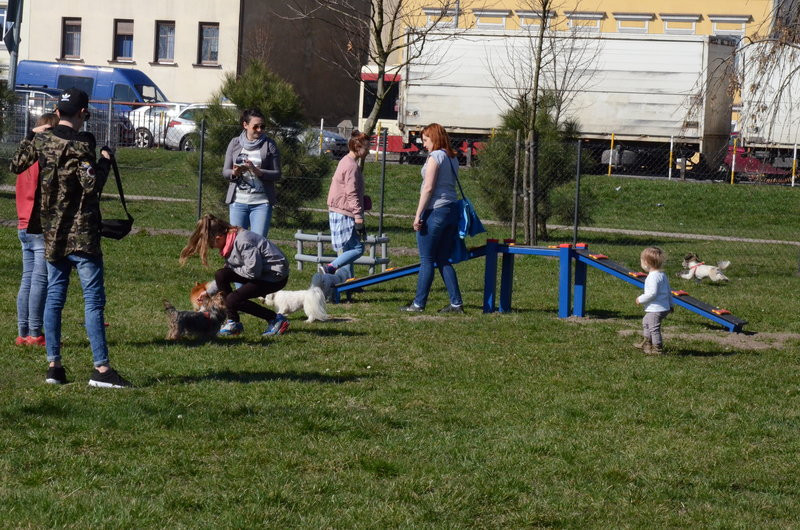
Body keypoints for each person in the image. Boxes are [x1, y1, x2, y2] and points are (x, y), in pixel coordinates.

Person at [9, 88, 130, 387]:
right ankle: (101, 370)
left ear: (58, 111)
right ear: (82, 113)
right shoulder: (81, 145)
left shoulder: (42, 140)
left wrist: (32, 134)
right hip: (83, 235)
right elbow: (91, 185)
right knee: (92, 301)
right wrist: (103, 161)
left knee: (55, 299)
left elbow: (15, 165)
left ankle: (55, 367)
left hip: (52, 235)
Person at [179, 214, 291, 337]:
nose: (213, 248)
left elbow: (253, 272)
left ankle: (276, 319)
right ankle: (233, 322)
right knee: (221, 275)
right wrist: (209, 292)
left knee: (233, 299)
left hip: (274, 276)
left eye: (212, 244)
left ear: (219, 237)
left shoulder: (243, 242)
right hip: (259, 273)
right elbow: (231, 269)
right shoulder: (229, 241)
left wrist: (232, 276)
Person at [400, 123, 463, 314]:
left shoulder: (436, 156)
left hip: (435, 211)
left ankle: (418, 304)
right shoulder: (452, 157)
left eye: (426, 140)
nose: (423, 144)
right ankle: (456, 304)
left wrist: (418, 215)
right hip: (451, 210)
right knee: (443, 258)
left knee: (427, 259)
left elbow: (428, 188)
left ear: (434, 138)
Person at [13, 113, 59, 347]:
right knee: (40, 280)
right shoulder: (43, 156)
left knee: (27, 279)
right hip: (38, 224)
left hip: (22, 224)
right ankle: (34, 332)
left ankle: (23, 332)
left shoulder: (23, 156)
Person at [222, 108, 280, 238]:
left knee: (258, 243)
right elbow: (225, 172)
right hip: (238, 202)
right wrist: (235, 172)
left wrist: (258, 171)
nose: (260, 130)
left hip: (261, 204)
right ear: (245, 125)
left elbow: (277, 174)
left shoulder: (269, 145)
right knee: (237, 242)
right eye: (255, 127)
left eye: (262, 126)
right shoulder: (235, 143)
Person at [321, 130, 369, 279]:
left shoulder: (347, 161)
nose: (368, 150)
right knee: (358, 248)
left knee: (347, 249)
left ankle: (349, 283)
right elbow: (351, 192)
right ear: (357, 147)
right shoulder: (351, 166)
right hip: (344, 212)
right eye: (366, 147)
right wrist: (358, 216)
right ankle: (331, 267)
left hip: (340, 209)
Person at [634, 247, 673, 355]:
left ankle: (657, 348)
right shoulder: (662, 275)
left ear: (646, 263)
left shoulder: (652, 277)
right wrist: (670, 304)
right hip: (663, 307)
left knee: (653, 328)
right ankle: (647, 343)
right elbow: (669, 291)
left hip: (656, 309)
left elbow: (652, 293)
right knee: (646, 322)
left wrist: (640, 299)